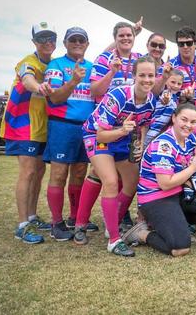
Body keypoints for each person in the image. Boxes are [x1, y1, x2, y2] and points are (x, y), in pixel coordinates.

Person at [74, 56, 158, 256]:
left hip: (122, 137)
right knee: (110, 181)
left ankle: (111, 224)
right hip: (98, 135)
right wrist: (123, 131)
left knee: (132, 181)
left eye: (151, 75)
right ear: (134, 76)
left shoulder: (151, 100)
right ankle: (112, 239)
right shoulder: (119, 95)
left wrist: (139, 143)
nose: (147, 80)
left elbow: (144, 124)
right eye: (142, 75)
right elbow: (101, 134)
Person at [122, 104, 196, 256]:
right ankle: (141, 233)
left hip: (179, 193)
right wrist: (193, 168)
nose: (188, 125)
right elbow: (165, 184)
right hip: (157, 197)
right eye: (184, 120)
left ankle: (175, 225)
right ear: (174, 118)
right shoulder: (164, 144)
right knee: (180, 248)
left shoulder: (191, 140)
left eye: (193, 122)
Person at [1, 22, 56, 244]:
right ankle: (22, 225)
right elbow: (27, 78)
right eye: (42, 38)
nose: (47, 42)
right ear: (34, 42)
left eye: (51, 37)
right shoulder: (28, 62)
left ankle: (32, 216)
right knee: (29, 171)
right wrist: (39, 87)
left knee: (39, 172)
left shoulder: (54, 64)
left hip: (41, 126)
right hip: (22, 125)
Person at [43, 27, 95, 241]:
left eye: (81, 40)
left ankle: (75, 217)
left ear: (87, 44)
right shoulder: (56, 65)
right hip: (62, 125)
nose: (77, 43)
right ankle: (56, 222)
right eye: (72, 40)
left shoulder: (93, 67)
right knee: (59, 174)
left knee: (80, 172)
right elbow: (54, 98)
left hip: (86, 127)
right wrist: (73, 81)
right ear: (65, 43)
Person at [90, 22, 143, 102]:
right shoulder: (104, 58)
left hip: (132, 112)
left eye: (129, 35)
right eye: (121, 35)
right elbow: (95, 92)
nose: (125, 38)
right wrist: (112, 72)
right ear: (115, 39)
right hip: (107, 112)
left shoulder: (140, 59)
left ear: (134, 37)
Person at [144, 69, 184, 146]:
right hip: (151, 133)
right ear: (166, 81)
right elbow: (164, 99)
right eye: (173, 82)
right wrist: (165, 100)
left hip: (162, 133)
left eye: (179, 84)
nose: (176, 86)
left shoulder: (175, 98)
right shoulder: (164, 93)